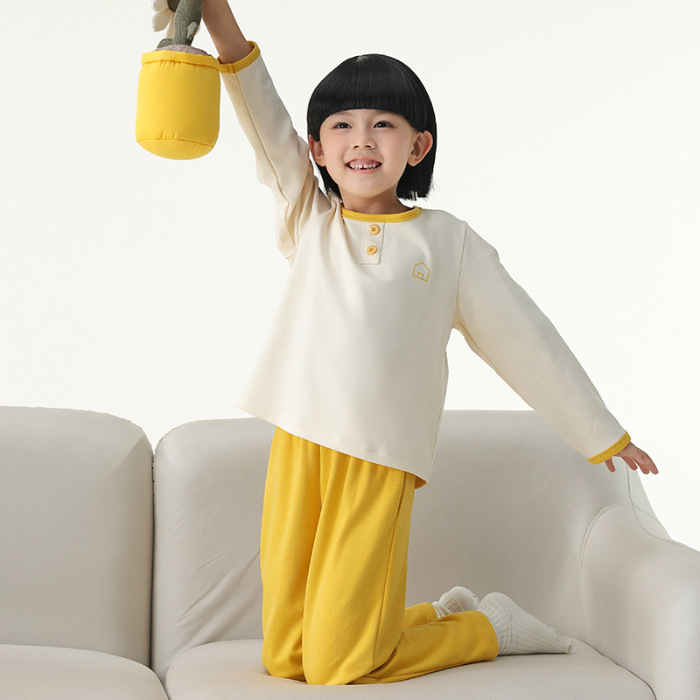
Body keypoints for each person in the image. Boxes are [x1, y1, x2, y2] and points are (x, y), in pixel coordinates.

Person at [198, 0, 659, 686]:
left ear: (418, 146)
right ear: (317, 150)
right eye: (342, 125)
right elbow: (263, 118)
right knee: (287, 655)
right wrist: (216, 17)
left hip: (377, 454)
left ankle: (485, 629)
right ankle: (436, 616)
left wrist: (601, 432)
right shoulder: (309, 219)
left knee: (339, 663)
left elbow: (524, 339)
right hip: (298, 442)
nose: (361, 139)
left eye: (383, 124)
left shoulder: (447, 244)